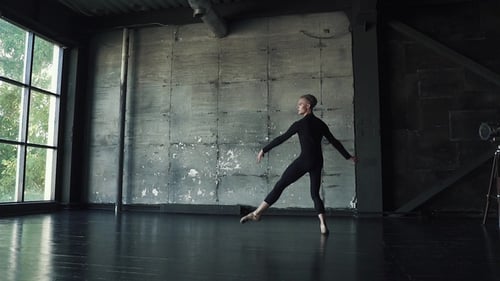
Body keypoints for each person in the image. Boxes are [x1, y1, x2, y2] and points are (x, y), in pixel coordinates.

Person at [240, 94, 357, 235]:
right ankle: (322, 224)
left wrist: (264, 149)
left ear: (308, 106)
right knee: (315, 194)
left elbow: (282, 138)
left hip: (305, 160)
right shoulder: (321, 124)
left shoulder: (300, 124)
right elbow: (334, 141)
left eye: (300, 104)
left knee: (280, 185)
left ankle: (257, 213)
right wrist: (348, 157)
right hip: (318, 161)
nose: (298, 106)